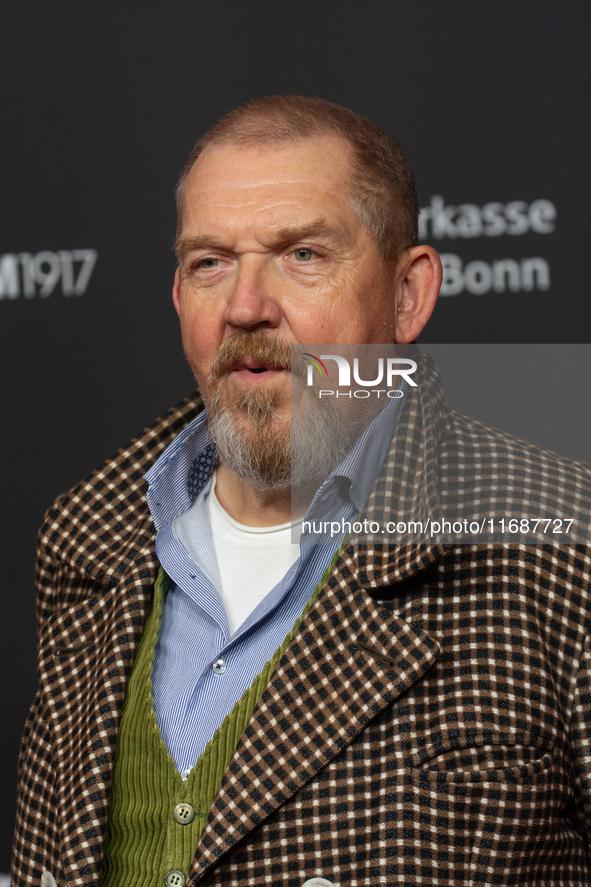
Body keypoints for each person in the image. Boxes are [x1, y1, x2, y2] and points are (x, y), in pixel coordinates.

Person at [12, 95, 591, 887]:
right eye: (210, 262)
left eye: (303, 255)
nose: (246, 306)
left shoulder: (555, 538)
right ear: (180, 297)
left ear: (408, 293)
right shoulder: (87, 534)